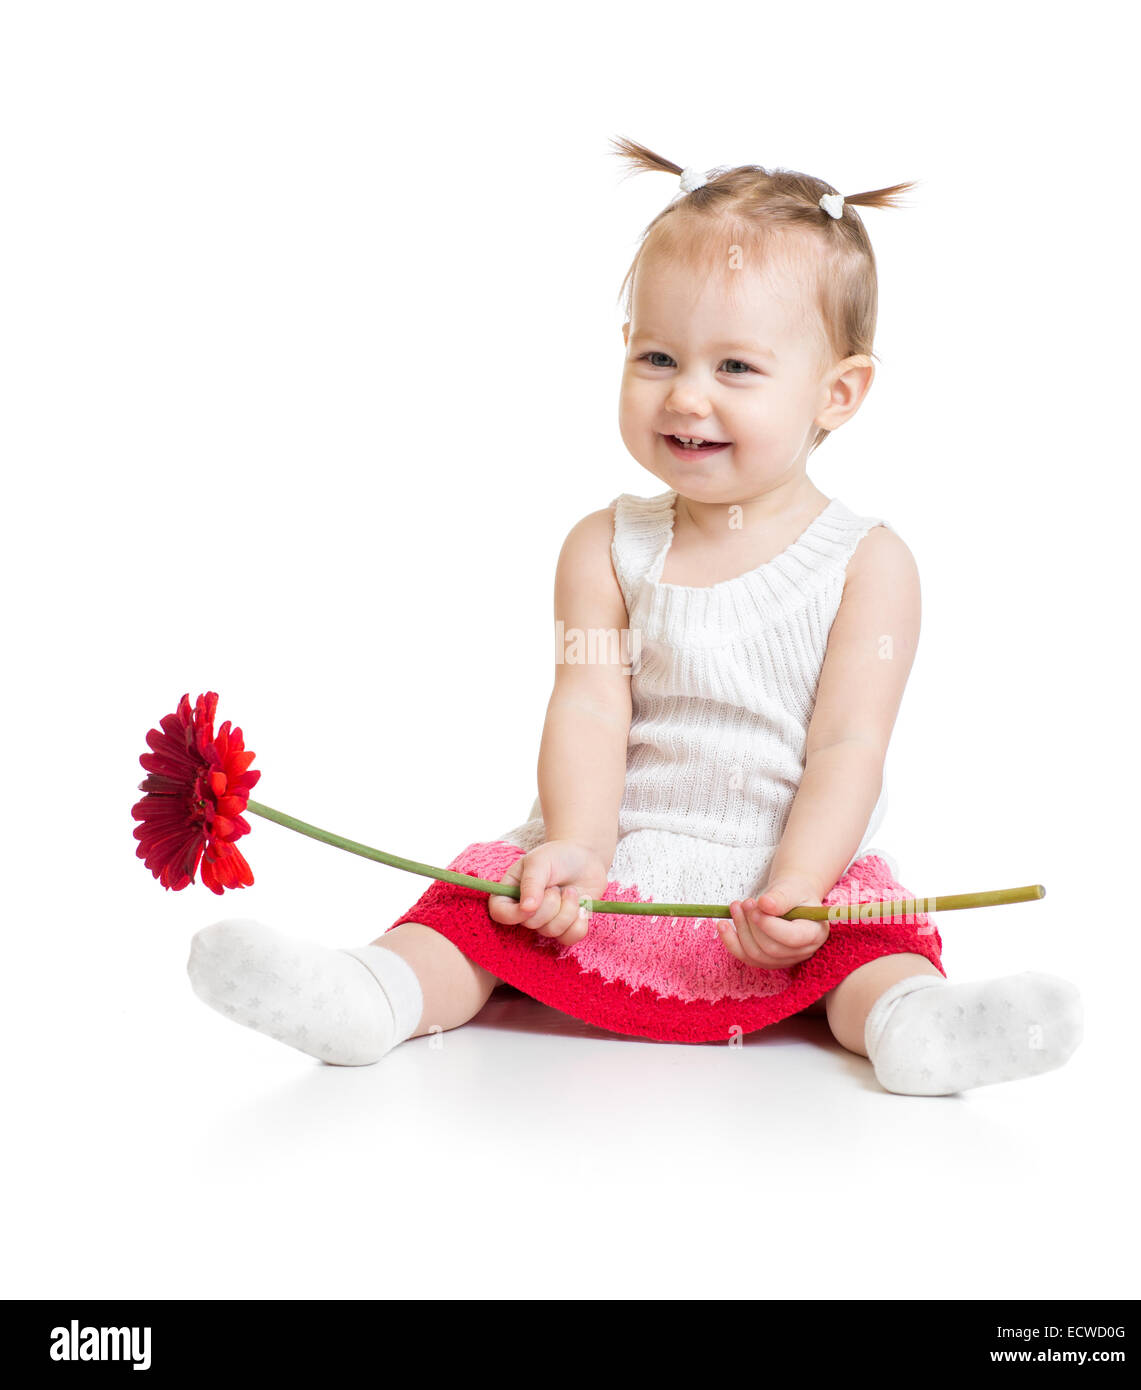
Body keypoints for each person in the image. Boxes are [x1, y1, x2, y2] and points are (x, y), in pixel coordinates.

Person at [188, 137, 1082, 1095]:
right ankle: (375, 993)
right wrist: (577, 846)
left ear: (838, 391)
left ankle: (917, 1023)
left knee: (868, 943)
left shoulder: (869, 563)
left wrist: (799, 889)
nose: (685, 394)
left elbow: (847, 747)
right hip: (618, 851)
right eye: (658, 355)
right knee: (480, 903)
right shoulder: (604, 548)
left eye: (736, 367)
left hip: (781, 867)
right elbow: (587, 709)